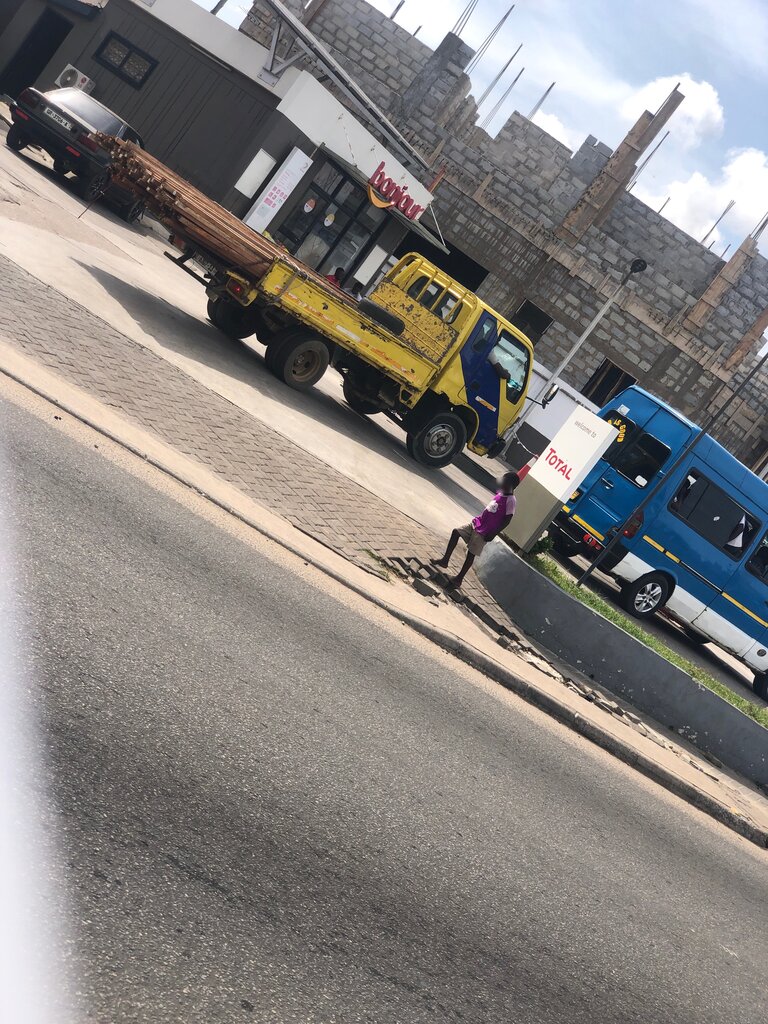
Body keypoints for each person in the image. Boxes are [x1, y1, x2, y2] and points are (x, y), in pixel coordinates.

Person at [432, 472, 520, 590]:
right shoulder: (500, 493)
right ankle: (445, 560)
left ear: (510, 484)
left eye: (504, 480)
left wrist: (494, 533)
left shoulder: (511, 500)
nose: (501, 482)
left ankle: (459, 579)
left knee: (471, 553)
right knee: (456, 532)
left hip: (485, 531)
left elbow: (507, 520)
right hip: (478, 523)